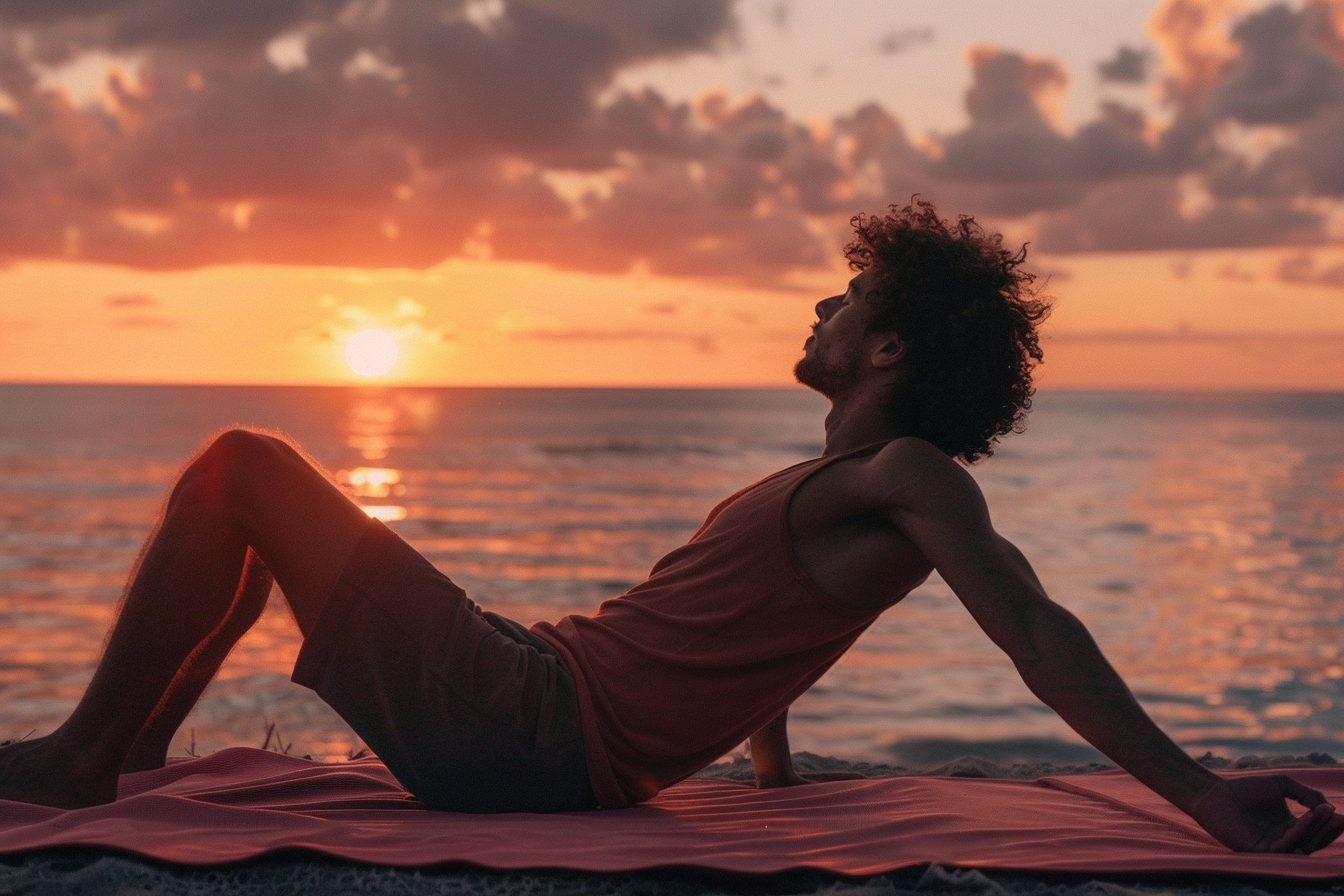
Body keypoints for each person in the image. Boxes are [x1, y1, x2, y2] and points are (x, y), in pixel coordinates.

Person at [0, 200, 1339, 855]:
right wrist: (771, 776)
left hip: (531, 729)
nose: (822, 302)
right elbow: (763, 637)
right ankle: (119, 749)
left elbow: (1035, 629)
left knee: (245, 463)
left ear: (888, 346)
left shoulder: (914, 473)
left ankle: (82, 759)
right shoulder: (839, 491)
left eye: (848, 293)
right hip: (540, 704)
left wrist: (1202, 792)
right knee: (253, 505)